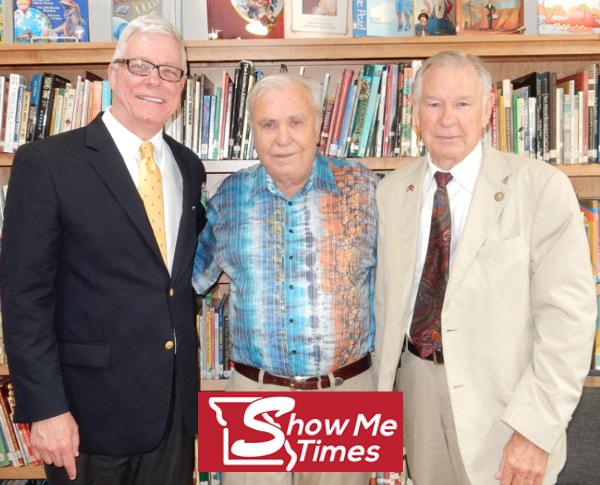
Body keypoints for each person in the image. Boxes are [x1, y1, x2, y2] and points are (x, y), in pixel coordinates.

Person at [0, 14, 206, 485]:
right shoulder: (47, 164)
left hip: (172, 417)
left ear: (182, 87)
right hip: (85, 420)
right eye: (141, 66)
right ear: (113, 73)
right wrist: (48, 409)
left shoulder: (188, 168)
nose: (156, 81)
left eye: (170, 71)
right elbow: (24, 300)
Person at [373, 50, 596, 485]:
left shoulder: (540, 188)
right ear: (415, 112)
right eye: (433, 104)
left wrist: (534, 433)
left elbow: (569, 322)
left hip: (507, 411)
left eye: (462, 104)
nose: (446, 119)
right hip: (415, 397)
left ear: (489, 108)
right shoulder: (392, 191)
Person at [192, 72, 378, 485]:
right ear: (253, 132)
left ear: (318, 125)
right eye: (268, 124)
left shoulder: (366, 189)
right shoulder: (227, 198)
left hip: (347, 393)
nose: (283, 138)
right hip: (252, 396)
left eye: (295, 122)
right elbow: (188, 280)